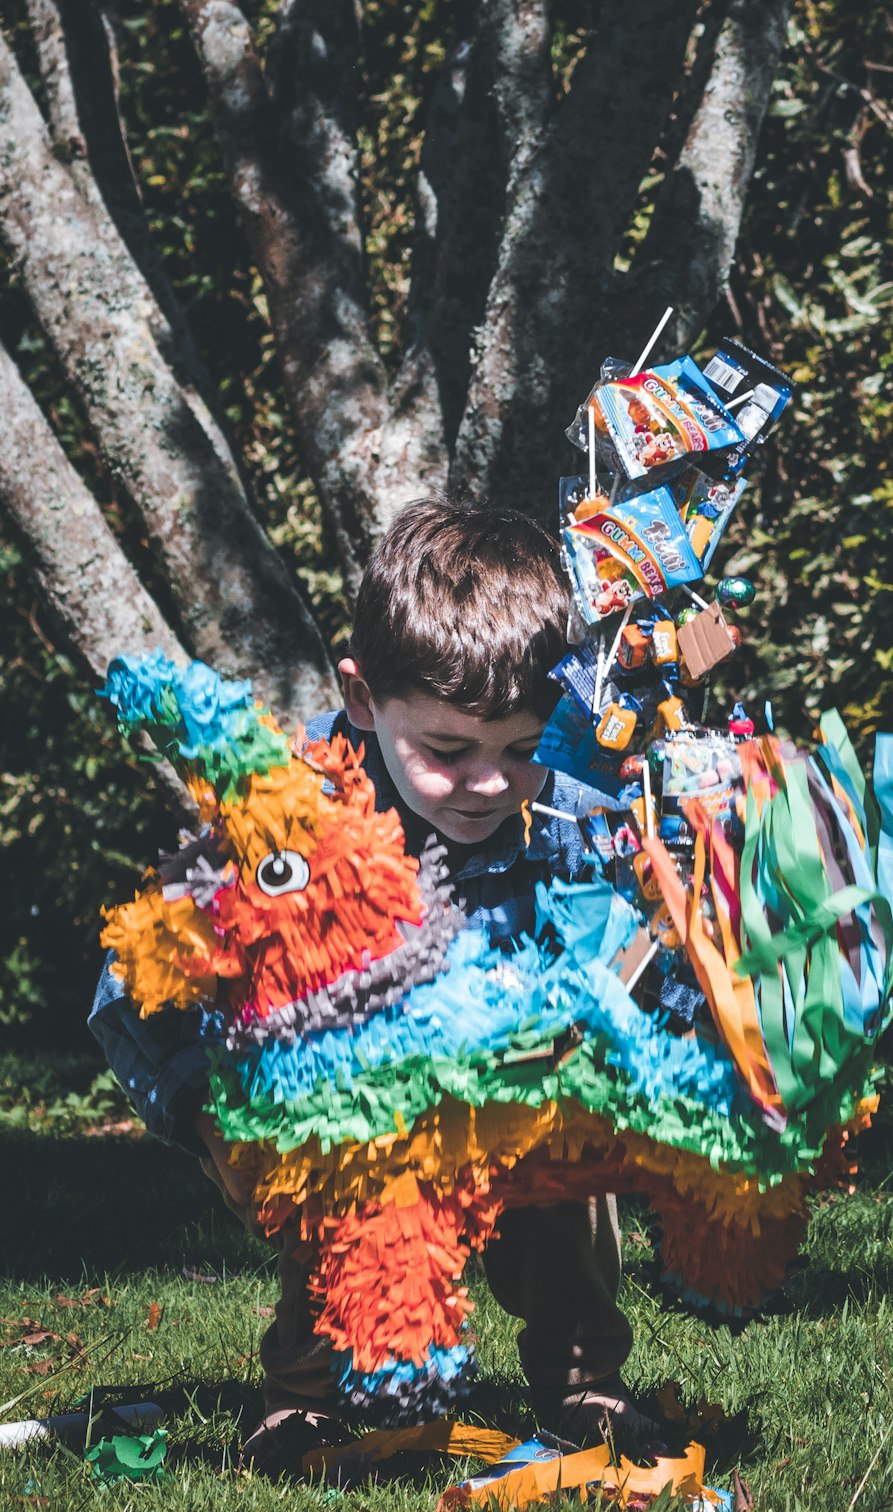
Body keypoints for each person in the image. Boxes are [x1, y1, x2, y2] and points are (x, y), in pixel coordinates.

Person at [89, 497, 665, 1478]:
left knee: (566, 1166)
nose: (488, 783)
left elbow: (622, 955)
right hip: (333, 1110)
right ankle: (306, 1400)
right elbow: (135, 977)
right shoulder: (287, 809)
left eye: (520, 748)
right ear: (363, 699)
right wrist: (200, 1109)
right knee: (345, 1162)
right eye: (448, 751)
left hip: (506, 1098)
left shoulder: (567, 811)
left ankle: (582, 1382)